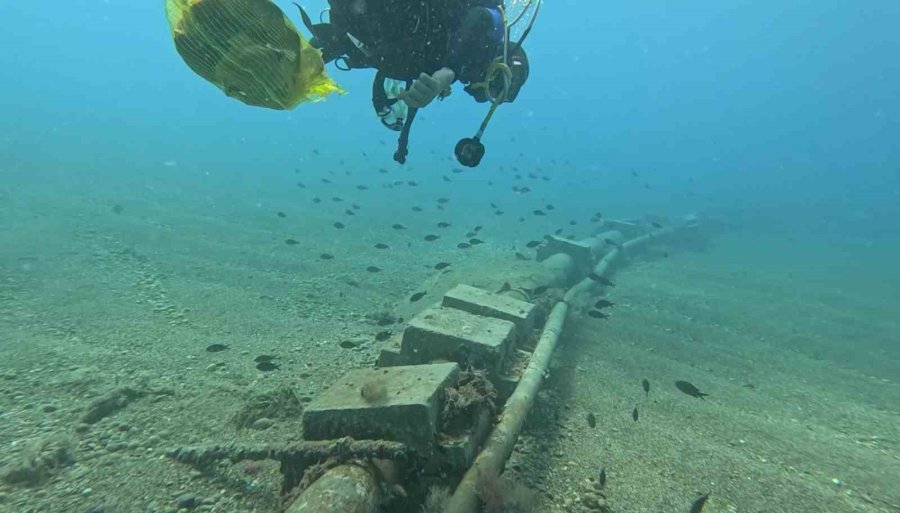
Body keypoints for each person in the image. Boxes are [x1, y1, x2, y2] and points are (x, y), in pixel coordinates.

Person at [299, 0, 531, 131]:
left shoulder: (436, 60)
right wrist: (449, 72)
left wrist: (299, 64)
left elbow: (345, 42)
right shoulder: (493, 30)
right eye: (492, 89)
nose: (476, 89)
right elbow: (480, 17)